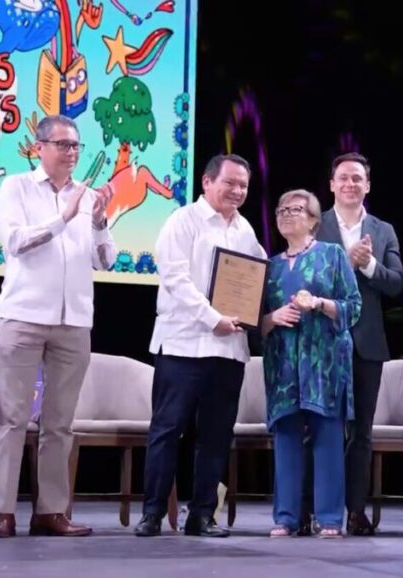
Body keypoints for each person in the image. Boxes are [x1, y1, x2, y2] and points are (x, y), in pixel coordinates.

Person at [0, 115, 116, 538]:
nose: (71, 153)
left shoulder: (87, 196)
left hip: (73, 320)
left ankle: (50, 511)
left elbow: (106, 260)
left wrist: (96, 221)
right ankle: (3, 512)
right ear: (38, 148)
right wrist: (63, 218)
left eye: (76, 146)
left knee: (59, 423)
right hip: (23, 316)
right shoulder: (16, 188)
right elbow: (16, 242)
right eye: (62, 144)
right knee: (13, 417)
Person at [134, 154, 265, 538]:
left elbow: (257, 281)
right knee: (166, 430)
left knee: (216, 435)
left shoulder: (245, 231)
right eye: (230, 183)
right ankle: (153, 514)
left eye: (243, 185)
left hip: (228, 350)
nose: (237, 191)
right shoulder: (182, 221)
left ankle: (202, 515)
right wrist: (213, 318)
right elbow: (174, 278)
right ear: (207, 182)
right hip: (183, 345)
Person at [262, 190, 361, 539]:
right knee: (286, 437)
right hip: (282, 363)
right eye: (282, 209)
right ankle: (285, 518)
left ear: (314, 220)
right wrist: (273, 317)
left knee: (327, 438)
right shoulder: (269, 265)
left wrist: (318, 303)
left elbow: (353, 307)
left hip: (325, 362)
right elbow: (254, 321)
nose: (287, 214)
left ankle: (330, 519)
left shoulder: (332, 256)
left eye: (296, 209)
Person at [314, 152, 403, 535]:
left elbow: (396, 284)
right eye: (343, 178)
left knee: (361, 432)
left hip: (367, 343)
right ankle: (317, 510)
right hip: (321, 342)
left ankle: (355, 510)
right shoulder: (315, 227)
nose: (350, 184)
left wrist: (367, 265)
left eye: (357, 178)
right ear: (331, 184)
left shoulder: (383, 230)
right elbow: (303, 279)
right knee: (320, 428)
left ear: (368, 184)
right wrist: (344, 264)